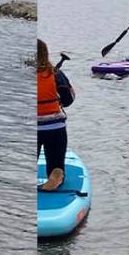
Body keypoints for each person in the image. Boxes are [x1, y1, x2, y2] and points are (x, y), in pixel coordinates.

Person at [37, 39, 75, 191]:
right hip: (55, 127)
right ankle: (56, 173)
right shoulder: (56, 74)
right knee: (55, 164)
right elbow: (69, 99)